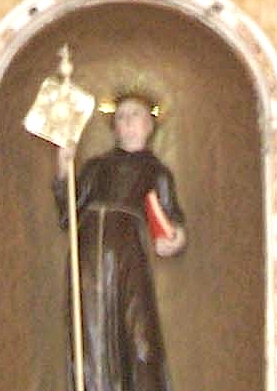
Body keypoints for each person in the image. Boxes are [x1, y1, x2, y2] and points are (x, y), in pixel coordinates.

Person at [55, 94, 188, 391]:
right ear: (114, 128)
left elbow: (170, 218)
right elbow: (69, 214)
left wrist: (175, 239)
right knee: (90, 333)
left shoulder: (156, 172)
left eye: (134, 115)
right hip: (88, 257)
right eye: (121, 117)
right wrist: (64, 168)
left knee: (138, 334)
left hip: (128, 256)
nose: (127, 122)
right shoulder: (96, 167)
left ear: (149, 125)